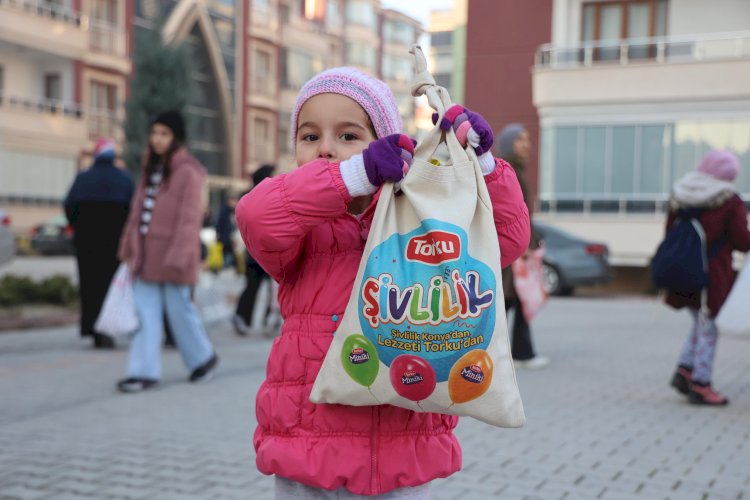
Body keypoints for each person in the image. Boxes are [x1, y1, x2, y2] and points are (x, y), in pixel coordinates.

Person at [235, 67, 530, 497]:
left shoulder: (418, 219)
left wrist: (483, 165)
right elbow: (256, 217)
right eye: (310, 136)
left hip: (403, 448)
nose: (327, 150)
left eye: (349, 136)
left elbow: (505, 238)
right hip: (311, 449)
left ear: (388, 143)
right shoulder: (302, 229)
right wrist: (352, 176)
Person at [116, 110, 219, 393]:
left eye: (164, 134)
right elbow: (136, 213)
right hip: (145, 256)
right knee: (144, 316)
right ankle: (143, 372)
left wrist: (178, 256)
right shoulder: (149, 168)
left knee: (180, 311)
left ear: (176, 137)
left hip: (174, 257)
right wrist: (127, 246)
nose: (157, 139)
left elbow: (190, 218)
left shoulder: (190, 171)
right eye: (154, 133)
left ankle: (203, 359)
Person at [666, 150, 750, 406]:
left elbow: (669, 232)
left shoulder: (680, 194)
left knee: (698, 323)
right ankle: (701, 384)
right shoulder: (728, 200)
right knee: (710, 328)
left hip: (681, 271)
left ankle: (684, 370)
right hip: (712, 274)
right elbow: (741, 241)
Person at [64, 138, 134, 349]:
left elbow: (69, 206)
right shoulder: (125, 180)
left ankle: (93, 328)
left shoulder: (83, 179)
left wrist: (80, 227)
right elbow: (133, 213)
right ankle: (108, 327)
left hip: (87, 245)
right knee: (110, 287)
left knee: (90, 287)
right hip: (114, 245)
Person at [496, 123, 550, 368]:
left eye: (527, 139)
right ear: (508, 144)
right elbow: (515, 214)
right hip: (512, 254)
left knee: (512, 302)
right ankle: (518, 354)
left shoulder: (512, 171)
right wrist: (526, 244)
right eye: (521, 140)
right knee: (509, 302)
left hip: (514, 252)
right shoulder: (508, 172)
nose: (527, 145)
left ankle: (518, 353)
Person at [233, 164, 276, 337]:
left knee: (261, 288)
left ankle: (256, 318)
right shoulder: (264, 196)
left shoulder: (249, 195)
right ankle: (263, 319)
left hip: (259, 249)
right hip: (261, 250)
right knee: (262, 287)